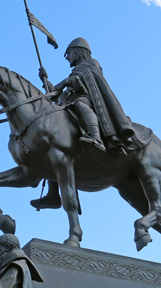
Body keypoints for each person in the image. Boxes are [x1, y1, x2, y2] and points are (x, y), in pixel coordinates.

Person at [32, 37, 135, 209]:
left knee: (80, 104)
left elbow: (84, 79)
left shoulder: (91, 64)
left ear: (79, 52)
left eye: (69, 53)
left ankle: (95, 135)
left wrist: (66, 82)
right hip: (68, 105)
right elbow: (54, 93)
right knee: (51, 142)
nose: (67, 58)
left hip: (86, 100)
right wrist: (46, 80)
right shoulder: (74, 72)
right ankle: (53, 195)